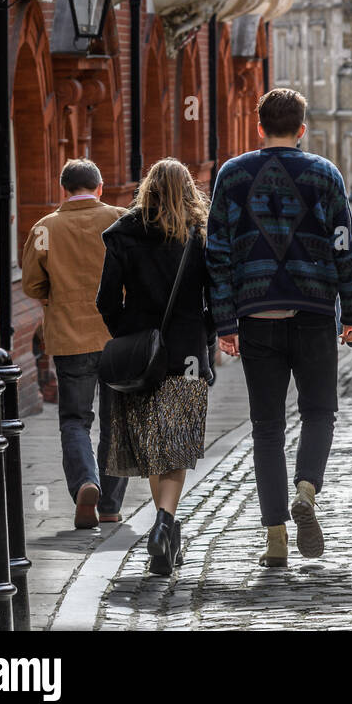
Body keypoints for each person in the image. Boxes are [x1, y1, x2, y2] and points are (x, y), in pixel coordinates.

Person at [206, 87, 352, 568]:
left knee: (267, 428)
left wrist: (224, 321)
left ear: (259, 127)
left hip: (256, 317)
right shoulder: (324, 174)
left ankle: (275, 536)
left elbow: (217, 253)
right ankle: (307, 490)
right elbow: (343, 246)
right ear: (302, 128)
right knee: (319, 413)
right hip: (314, 312)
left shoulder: (232, 176)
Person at [97, 158, 216, 576]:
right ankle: (165, 523)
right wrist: (207, 334)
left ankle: (163, 529)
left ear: (146, 189)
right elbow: (217, 299)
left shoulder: (123, 233)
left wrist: (129, 334)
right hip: (186, 353)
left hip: (141, 355)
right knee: (176, 444)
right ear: (188, 191)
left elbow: (105, 300)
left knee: (152, 444)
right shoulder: (200, 236)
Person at [21, 158, 128, 529]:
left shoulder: (45, 229)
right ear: (100, 188)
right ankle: (111, 506)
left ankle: (85, 481)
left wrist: (59, 295)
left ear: (62, 190)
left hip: (69, 337)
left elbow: (32, 285)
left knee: (74, 420)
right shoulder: (119, 218)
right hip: (118, 337)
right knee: (118, 421)